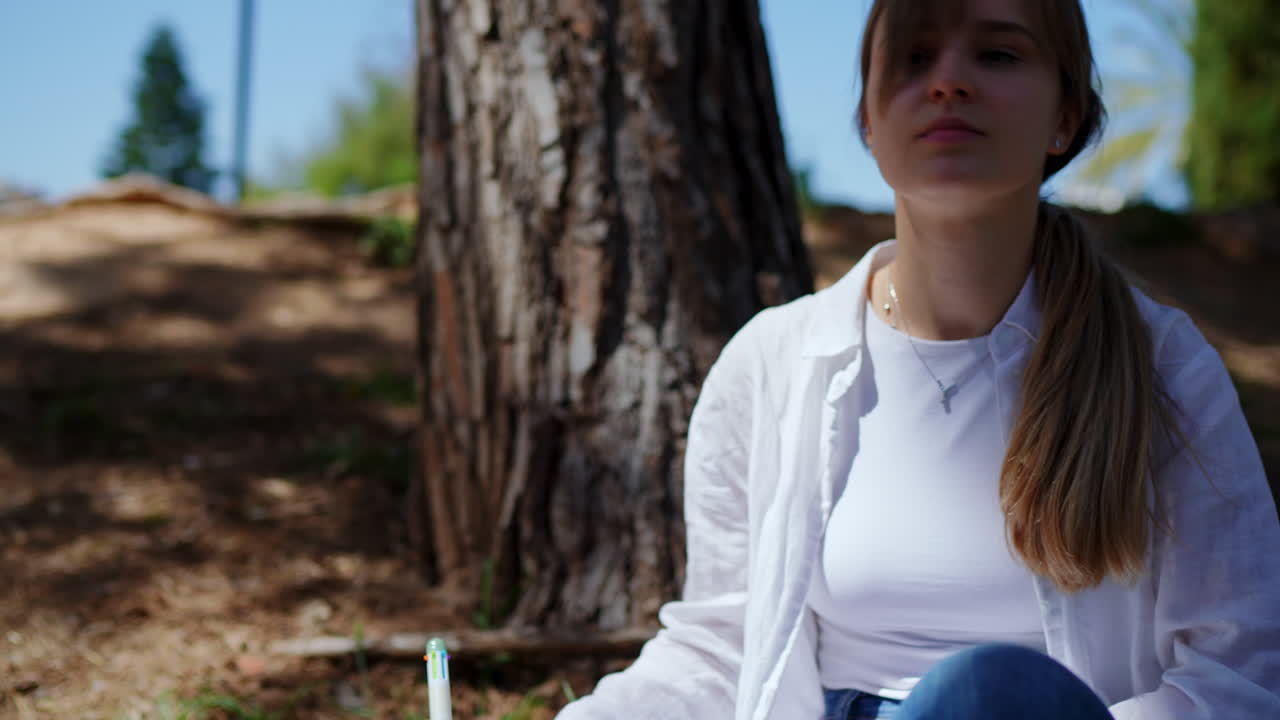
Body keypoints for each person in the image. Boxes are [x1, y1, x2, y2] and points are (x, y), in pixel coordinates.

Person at [556, 0, 1280, 718]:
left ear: (1066, 115)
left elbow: (1238, 673)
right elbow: (723, 649)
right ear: (868, 119)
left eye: (997, 54)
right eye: (912, 58)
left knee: (987, 695)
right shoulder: (771, 365)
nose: (948, 82)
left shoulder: (1162, 368)